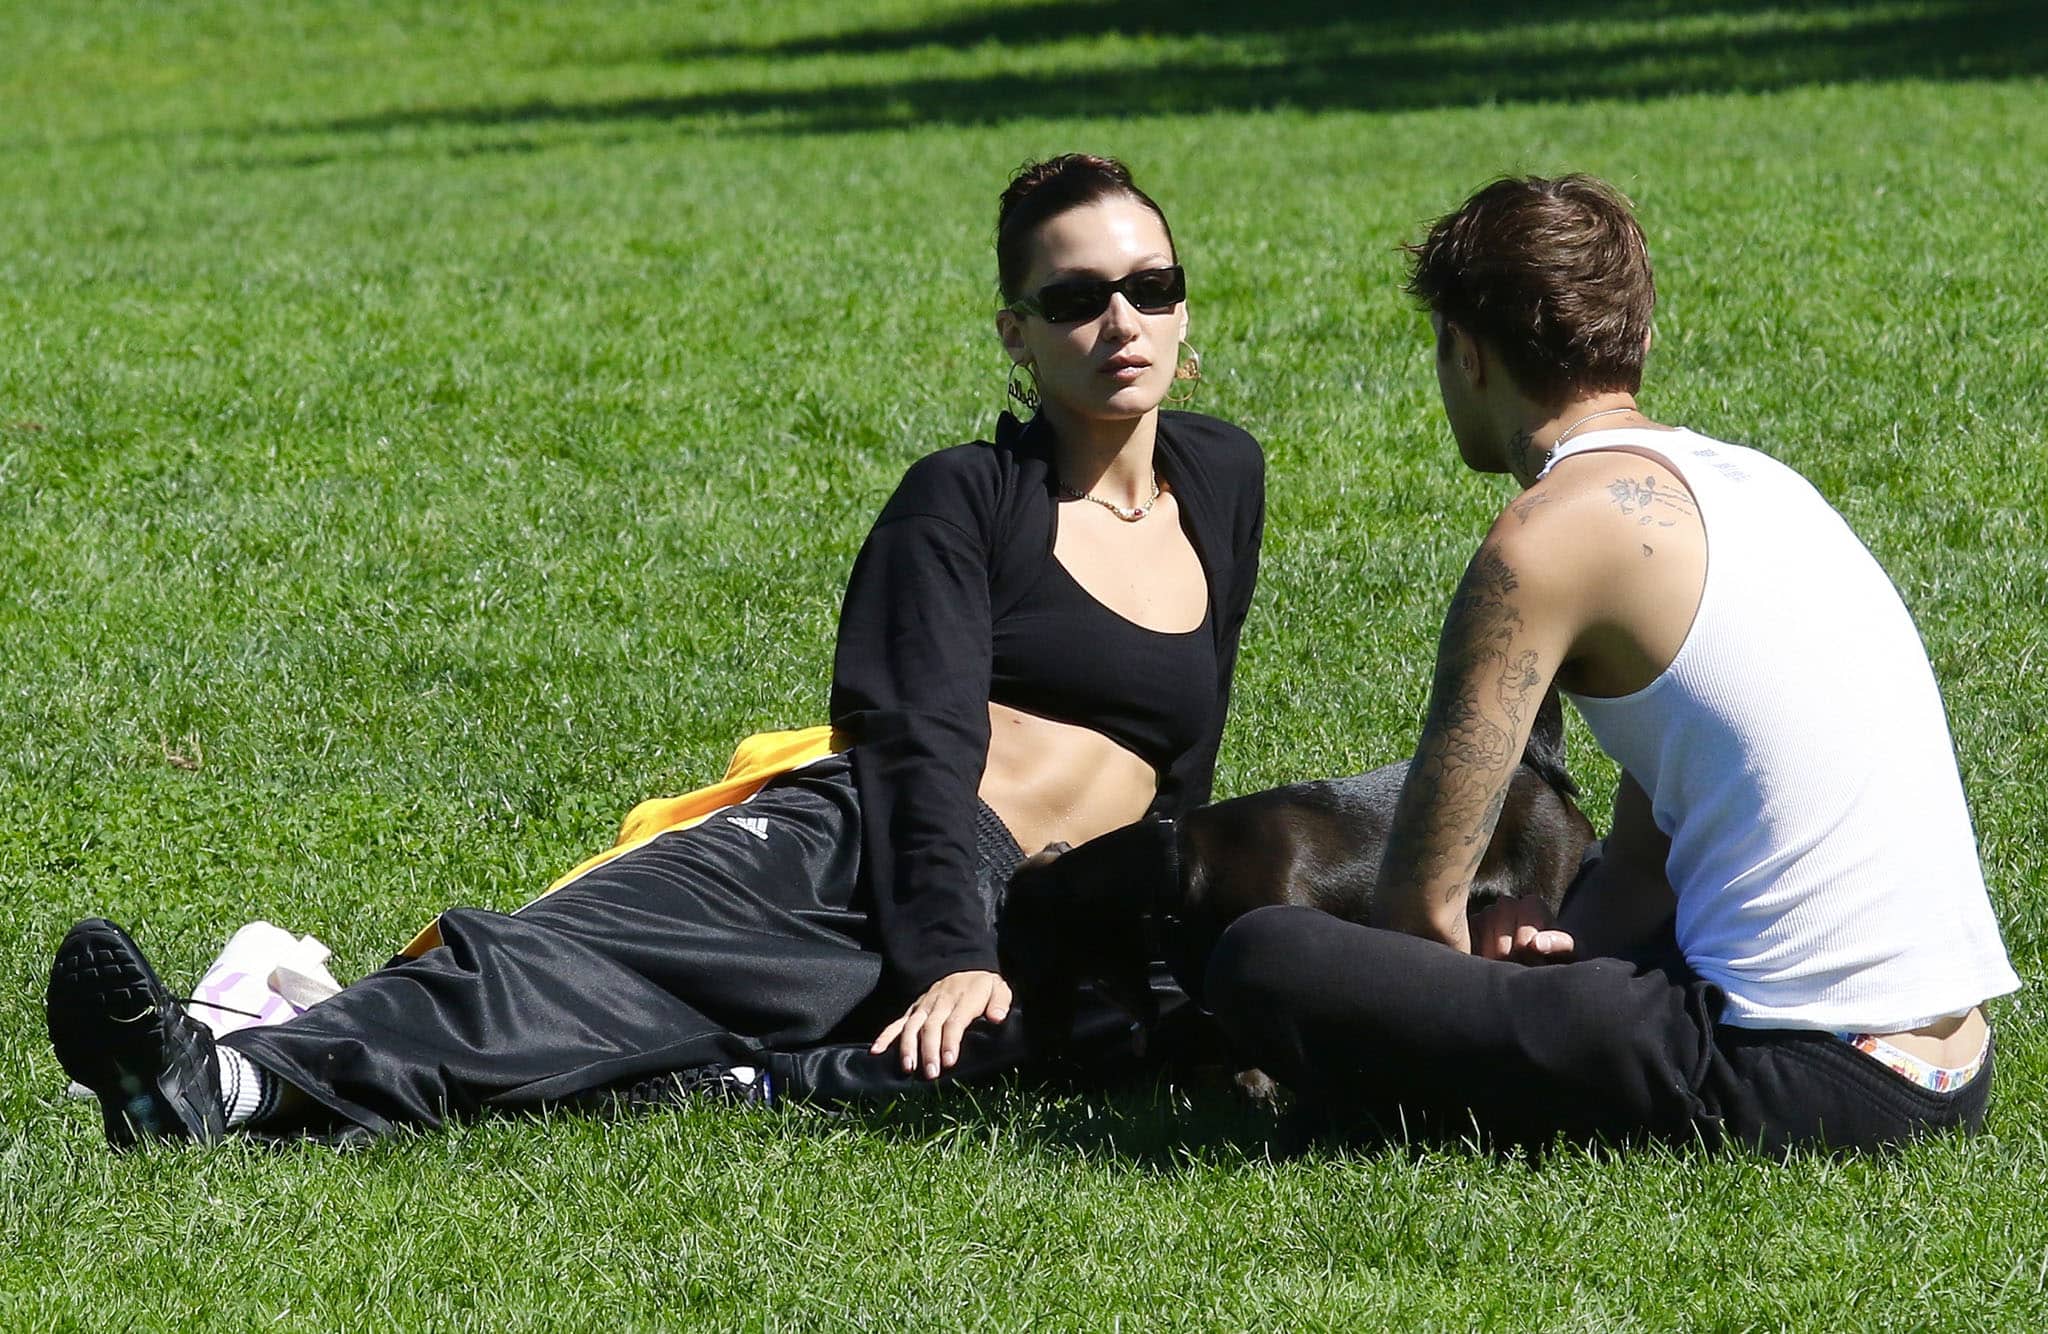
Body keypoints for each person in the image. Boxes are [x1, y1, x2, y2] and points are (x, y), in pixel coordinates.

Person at [47, 153, 1265, 1146]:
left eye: (1151, 287)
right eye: (1075, 298)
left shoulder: (1220, 478)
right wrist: (948, 950)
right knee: (561, 965)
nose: (1121, 320)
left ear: (1182, 306)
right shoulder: (962, 498)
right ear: (1016, 332)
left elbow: (1184, 758)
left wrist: (1154, 944)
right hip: (853, 847)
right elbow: (912, 741)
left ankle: (741, 1083)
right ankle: (221, 1081)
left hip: (1048, 909)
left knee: (1010, 1050)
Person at [1206, 174, 2016, 1153]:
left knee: (1266, 954)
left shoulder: (1543, 538)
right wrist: (1562, 949)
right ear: (1637, 340)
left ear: (1465, 352)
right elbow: (1642, 860)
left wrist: (1446, 991)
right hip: (1947, 1063)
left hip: (1798, 1069)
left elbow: (1416, 909)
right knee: (1568, 906)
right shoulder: (1757, 484)